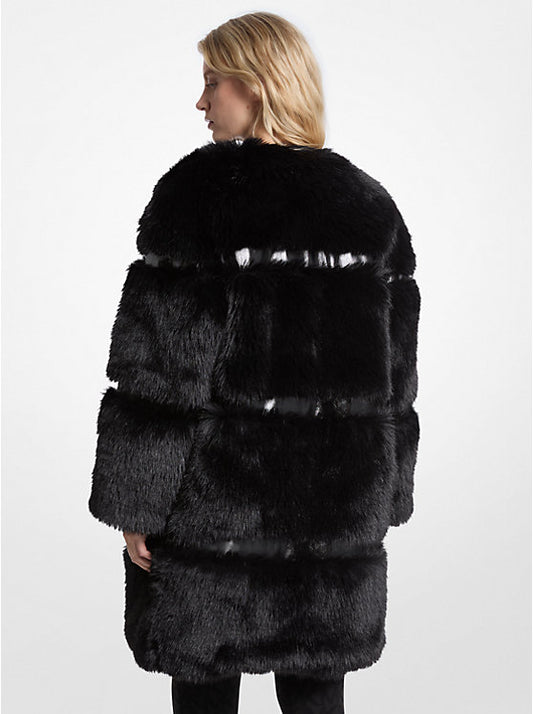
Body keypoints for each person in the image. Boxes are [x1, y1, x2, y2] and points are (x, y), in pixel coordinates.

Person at [88, 11, 421, 714]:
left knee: (204, 690)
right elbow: (396, 386)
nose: (201, 101)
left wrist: (135, 503)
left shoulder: (201, 195)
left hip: (216, 511)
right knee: (316, 696)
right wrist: (388, 497)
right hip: (334, 514)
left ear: (258, 83)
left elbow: (159, 378)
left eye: (214, 82)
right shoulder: (369, 207)